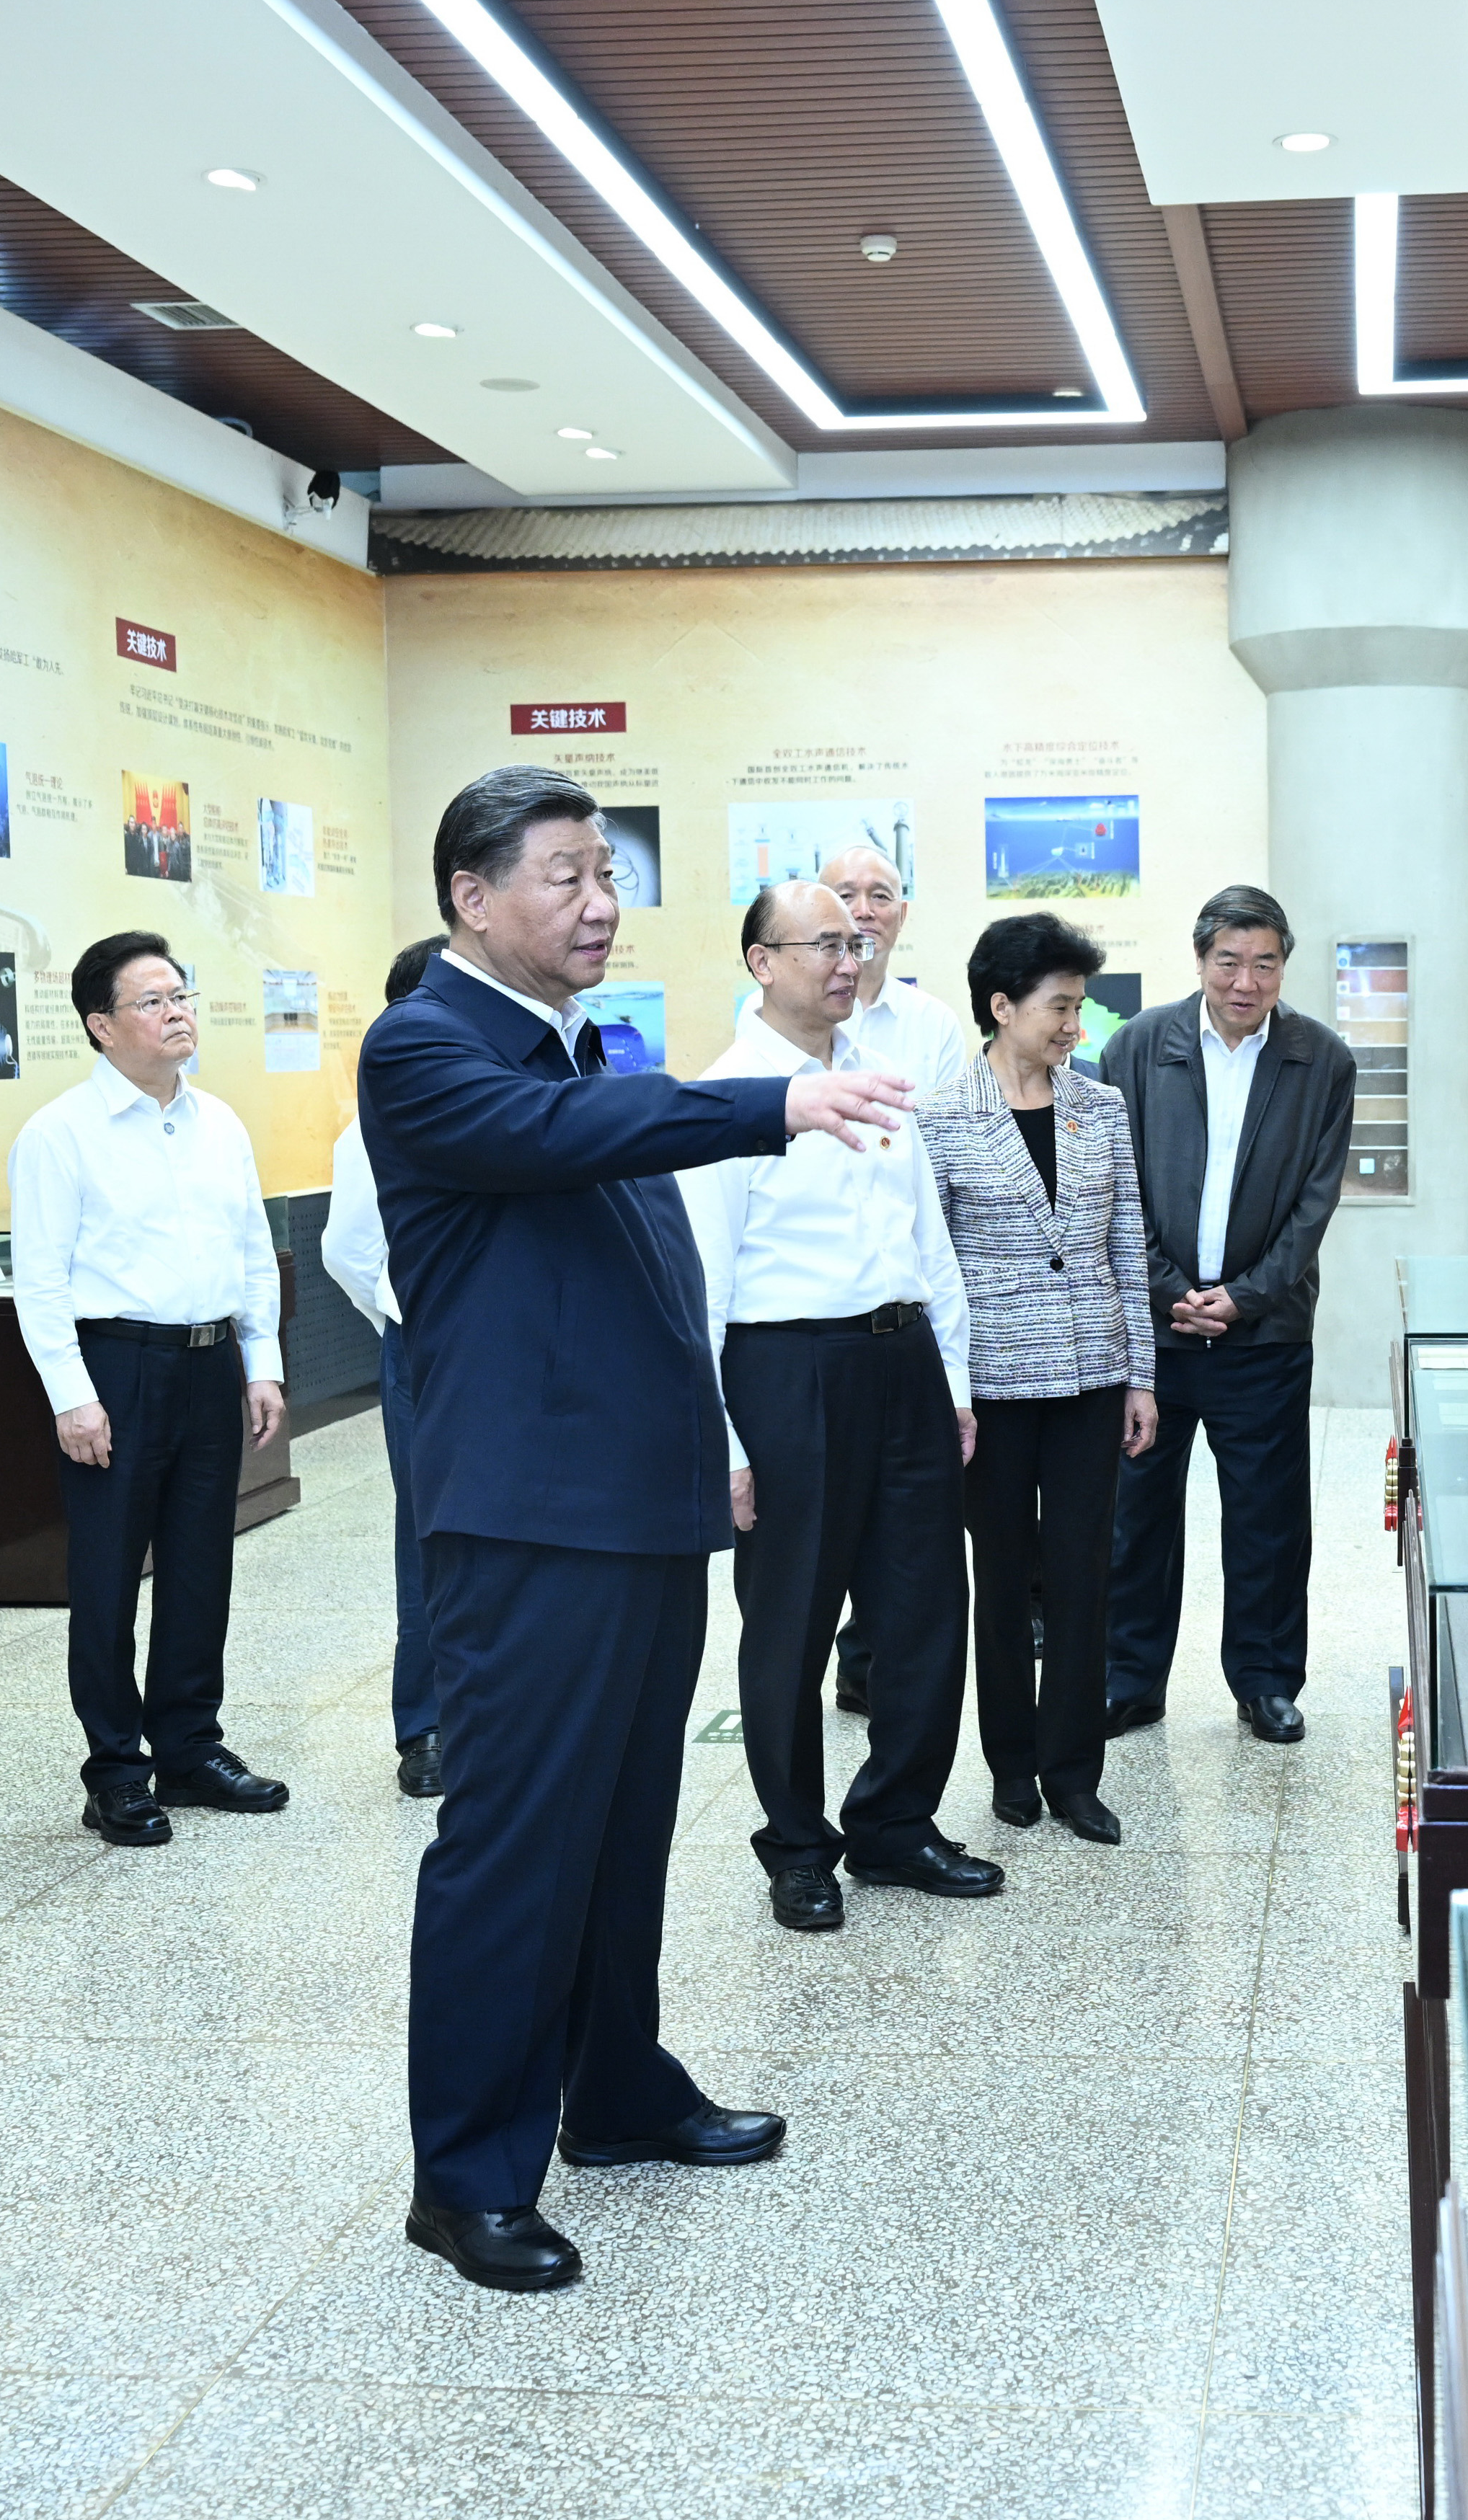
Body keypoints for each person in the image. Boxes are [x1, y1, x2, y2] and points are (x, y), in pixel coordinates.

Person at [358, 765, 910, 2293]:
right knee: (514, 1841)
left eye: (607, 872)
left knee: (615, 1827)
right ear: (471, 896)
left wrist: (706, 1457)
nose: (600, 901)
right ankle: (466, 2174)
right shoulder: (427, 1045)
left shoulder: (574, 1042)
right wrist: (774, 1099)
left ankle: (611, 2087)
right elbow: (568, 1136)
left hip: (636, 1512)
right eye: (565, 874)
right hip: (532, 1522)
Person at [681, 880, 982, 1932]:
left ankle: (896, 1824)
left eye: (855, 943)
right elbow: (699, 1290)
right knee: (791, 1622)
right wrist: (724, 1444)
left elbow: (929, 1243)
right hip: (787, 1373)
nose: (848, 961)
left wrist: (952, 1384)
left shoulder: (878, 1078)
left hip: (904, 1363)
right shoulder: (728, 1097)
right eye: (823, 943)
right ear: (761, 961)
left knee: (926, 1609)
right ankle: (799, 1846)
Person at [10, 929, 290, 1847]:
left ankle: (190, 1748)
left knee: (201, 1566)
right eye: (153, 1000)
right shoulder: (59, 1134)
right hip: (115, 1369)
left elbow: (251, 1250)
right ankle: (115, 1771)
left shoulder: (220, 1123)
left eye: (181, 996)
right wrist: (71, 1394)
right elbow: (39, 1279)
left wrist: (261, 1361)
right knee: (106, 1577)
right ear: (101, 1025)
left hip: (209, 1362)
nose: (177, 1014)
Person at [1098, 884, 1361, 1747]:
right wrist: (1164, 1286)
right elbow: (1114, 1186)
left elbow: (1314, 1202)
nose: (1245, 981)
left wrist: (1245, 1295)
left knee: (1267, 1520)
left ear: (1283, 966)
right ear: (1199, 958)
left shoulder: (1320, 1059)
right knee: (1135, 1513)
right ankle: (1128, 1678)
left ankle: (1265, 1681)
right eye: (1228, 961)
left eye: (1264, 964)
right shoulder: (1138, 1046)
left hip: (1264, 1331)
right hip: (1154, 1330)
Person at [919, 912, 1158, 1842]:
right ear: (1002, 1005)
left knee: (1081, 1573)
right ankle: (1011, 1765)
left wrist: (1140, 1375)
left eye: (1078, 1006)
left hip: (1092, 1375)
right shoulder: (940, 1117)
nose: (1073, 1025)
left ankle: (1073, 1771)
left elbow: (1126, 1246)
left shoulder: (1101, 1107)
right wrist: (949, 1393)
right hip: (993, 1389)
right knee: (1001, 1573)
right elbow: (935, 1269)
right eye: (1059, 1006)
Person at [815, 841, 976, 1718]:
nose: (863, 910)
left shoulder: (932, 1025)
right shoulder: (777, 1019)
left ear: (902, 913)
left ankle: (875, 1655)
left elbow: (944, 1164)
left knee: (905, 1508)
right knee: (834, 1502)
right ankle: (849, 1651)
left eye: (880, 894)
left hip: (909, 1289)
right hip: (819, 1303)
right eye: (845, 894)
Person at [323, 932, 449, 1798]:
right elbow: (346, 1249)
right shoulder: (372, 1123)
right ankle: (426, 1723)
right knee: (427, 1535)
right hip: (423, 1348)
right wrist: (400, 1317)